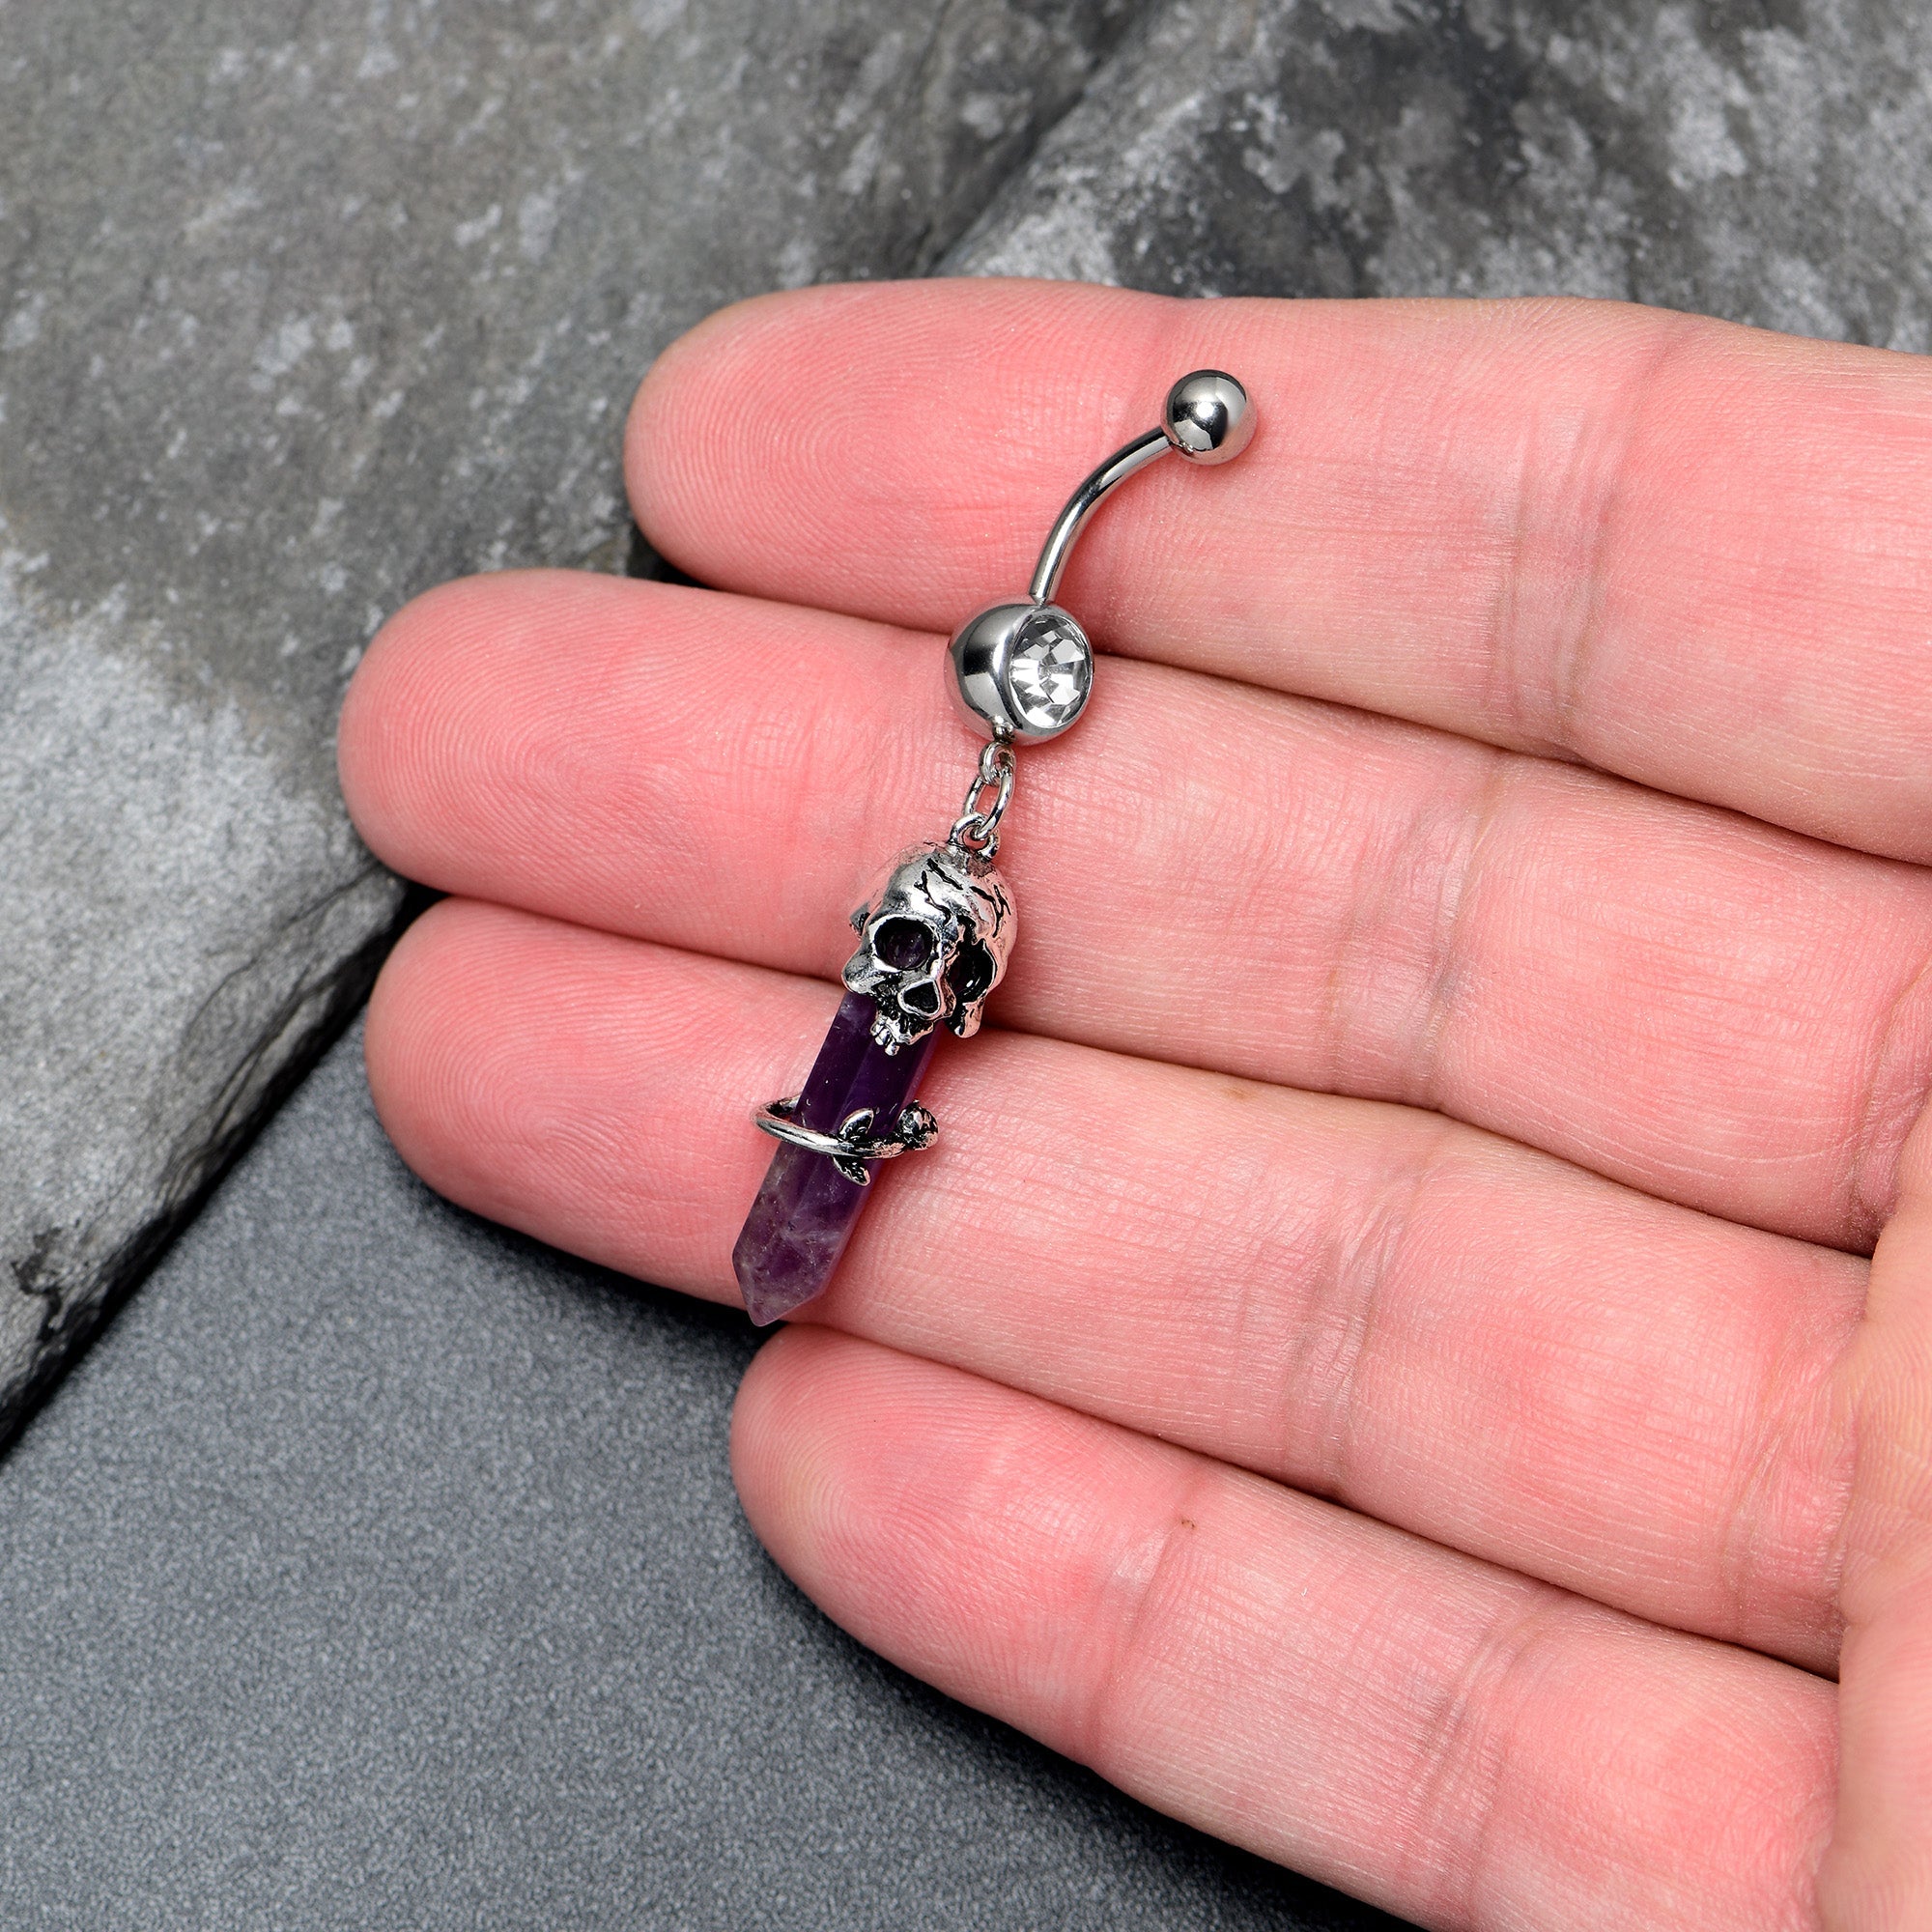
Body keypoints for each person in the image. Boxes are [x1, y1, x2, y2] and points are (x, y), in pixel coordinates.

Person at [335, 280, 1932, 1930]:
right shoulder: (917, 940)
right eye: (898, 960)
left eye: (932, 979)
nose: (904, 991)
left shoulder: (937, 958)